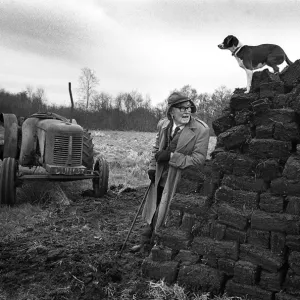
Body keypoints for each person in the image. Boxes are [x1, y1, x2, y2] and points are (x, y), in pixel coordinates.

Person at [131, 91, 210, 252]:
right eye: (181, 108)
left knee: (167, 213)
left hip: (180, 180)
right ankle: (145, 243)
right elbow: (156, 148)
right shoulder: (163, 125)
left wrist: (172, 156)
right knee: (153, 208)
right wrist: (152, 168)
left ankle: (158, 247)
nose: (187, 111)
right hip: (160, 176)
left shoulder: (201, 130)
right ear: (171, 111)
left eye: (189, 107)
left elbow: (198, 160)